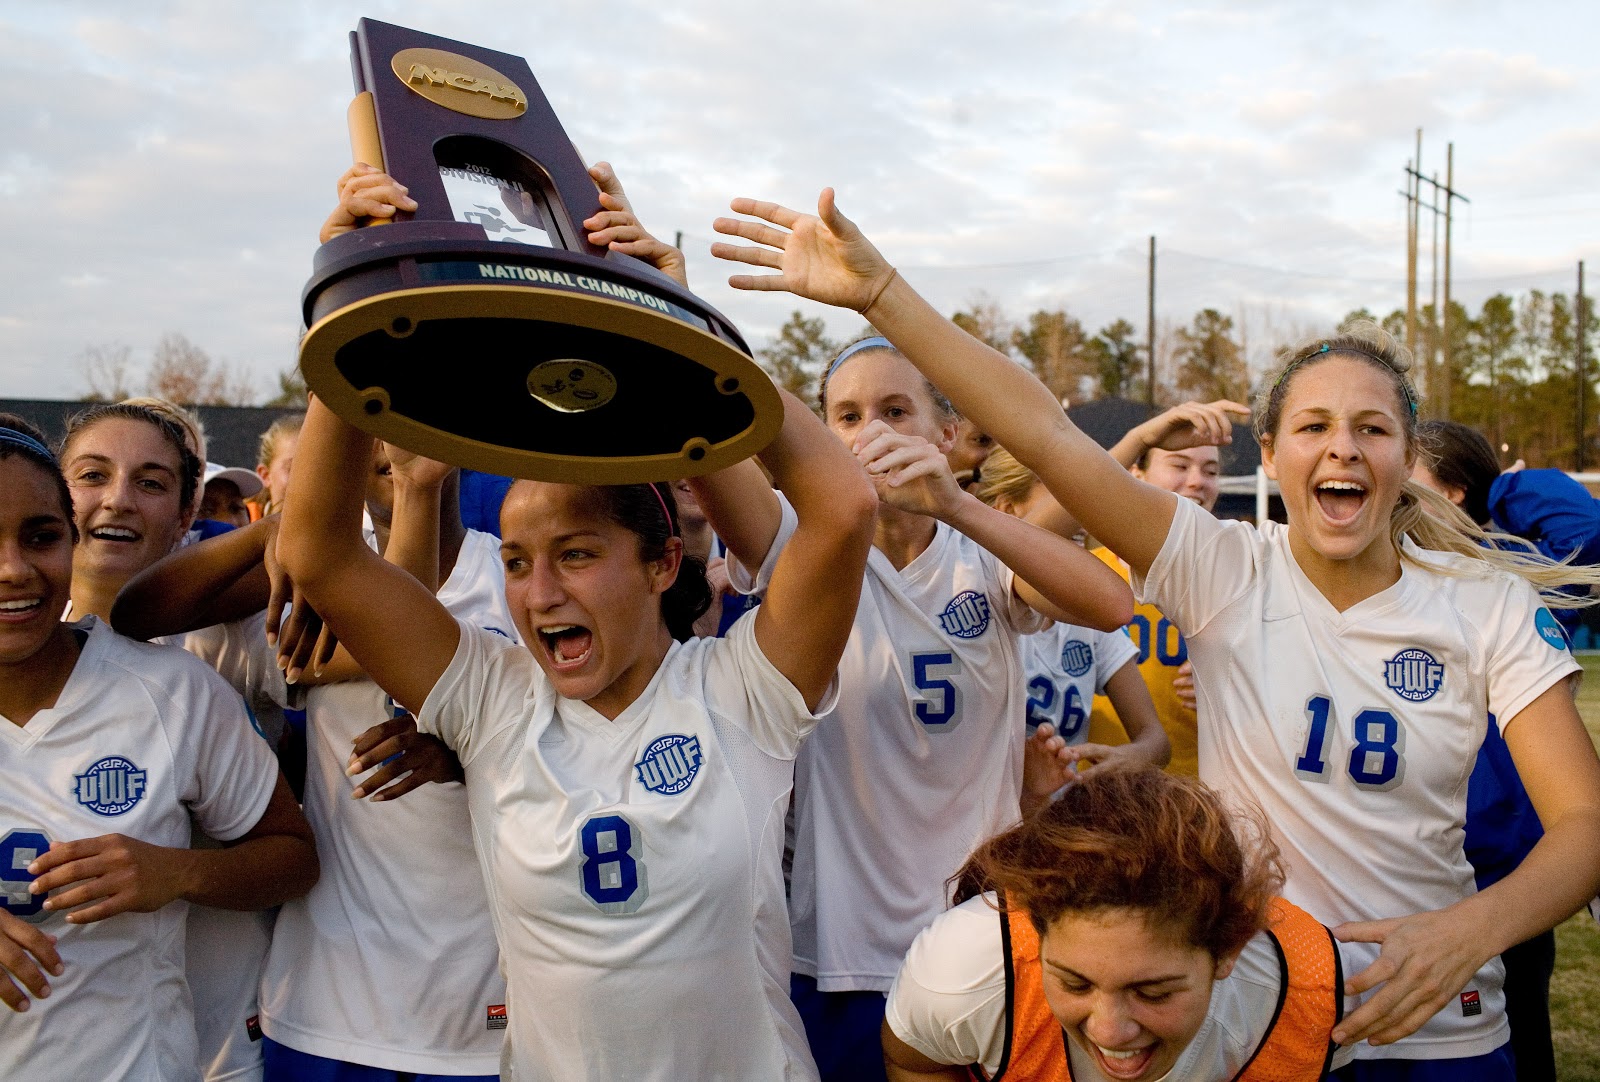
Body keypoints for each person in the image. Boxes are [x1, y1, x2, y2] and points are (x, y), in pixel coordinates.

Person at [710, 192, 1600, 1075]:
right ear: (1271, 452)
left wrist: (1467, 931)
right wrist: (881, 294)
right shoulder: (1223, 569)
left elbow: (1586, 824)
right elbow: (1046, 435)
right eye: (1314, 427)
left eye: (1373, 429)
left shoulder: (1484, 604)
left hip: (1439, 1027)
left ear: (1407, 457)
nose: (1343, 449)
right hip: (1257, 1021)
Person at [277, 336, 877, 1082]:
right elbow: (321, 553)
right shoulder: (492, 699)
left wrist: (684, 343)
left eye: (576, 554)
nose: (539, 594)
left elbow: (844, 507)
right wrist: (348, 343)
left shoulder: (741, 689)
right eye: (516, 562)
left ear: (662, 564)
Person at [706, 333, 1133, 1081]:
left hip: (985, 937)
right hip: (839, 950)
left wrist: (955, 506)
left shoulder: (982, 556)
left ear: (947, 435)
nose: (871, 432)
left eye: (896, 411)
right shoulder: (805, 548)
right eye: (846, 416)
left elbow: (1110, 604)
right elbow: (709, 441)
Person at [0, 414, 317, 1080]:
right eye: (95, 475)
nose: (12, 569)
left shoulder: (176, 690)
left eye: (40, 536)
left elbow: (293, 857)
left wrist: (176, 873)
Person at [883, 768, 1348, 1081]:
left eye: (1153, 992)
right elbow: (915, 1057)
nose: (1109, 1032)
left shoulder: (1316, 997)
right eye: (1074, 983)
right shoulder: (968, 968)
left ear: (1228, 950)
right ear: (1037, 932)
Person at [971, 448, 1170, 791]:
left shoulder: (1087, 616)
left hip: (1062, 821)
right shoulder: (974, 600)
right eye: (1060, 490)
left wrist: (1131, 756)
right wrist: (1140, 439)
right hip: (986, 817)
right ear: (1006, 510)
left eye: (1076, 489)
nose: (1078, 507)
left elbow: (1156, 741)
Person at [1087, 400, 1249, 776]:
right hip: (1094, 790)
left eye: (1210, 471)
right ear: (1136, 473)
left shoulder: (1240, 581)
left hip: (1196, 792)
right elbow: (1076, 490)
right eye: (1179, 465)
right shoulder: (1086, 573)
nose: (1196, 481)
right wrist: (1140, 438)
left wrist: (1242, 685)